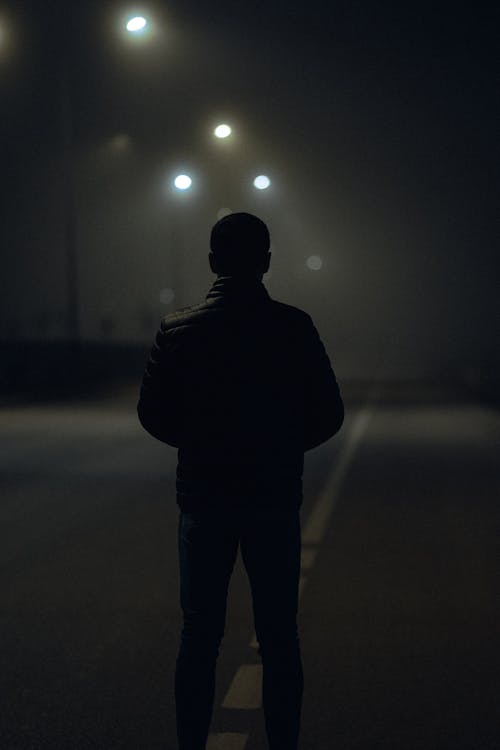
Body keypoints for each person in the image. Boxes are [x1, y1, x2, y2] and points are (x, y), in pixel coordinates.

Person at [137, 212, 344, 750]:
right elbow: (328, 413)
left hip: (203, 499)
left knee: (198, 635)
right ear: (267, 263)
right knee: (279, 638)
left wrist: (202, 444)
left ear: (211, 262)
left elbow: (152, 413)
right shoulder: (294, 327)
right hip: (273, 498)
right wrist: (276, 447)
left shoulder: (178, 329)